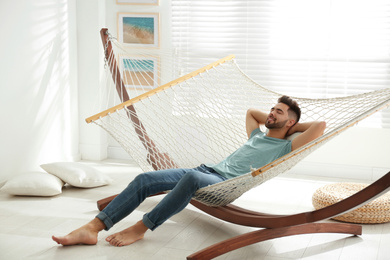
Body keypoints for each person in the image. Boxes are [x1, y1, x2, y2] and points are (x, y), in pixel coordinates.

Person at [52, 95, 326, 247]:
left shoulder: (285, 148)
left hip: (225, 185)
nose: (270, 114)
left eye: (278, 112)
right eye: (272, 109)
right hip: (207, 171)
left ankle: (141, 227)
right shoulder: (256, 135)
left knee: (192, 178)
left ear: (290, 122)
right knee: (145, 178)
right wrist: (279, 119)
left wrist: (291, 127)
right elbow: (251, 112)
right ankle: (93, 227)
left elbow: (320, 126)